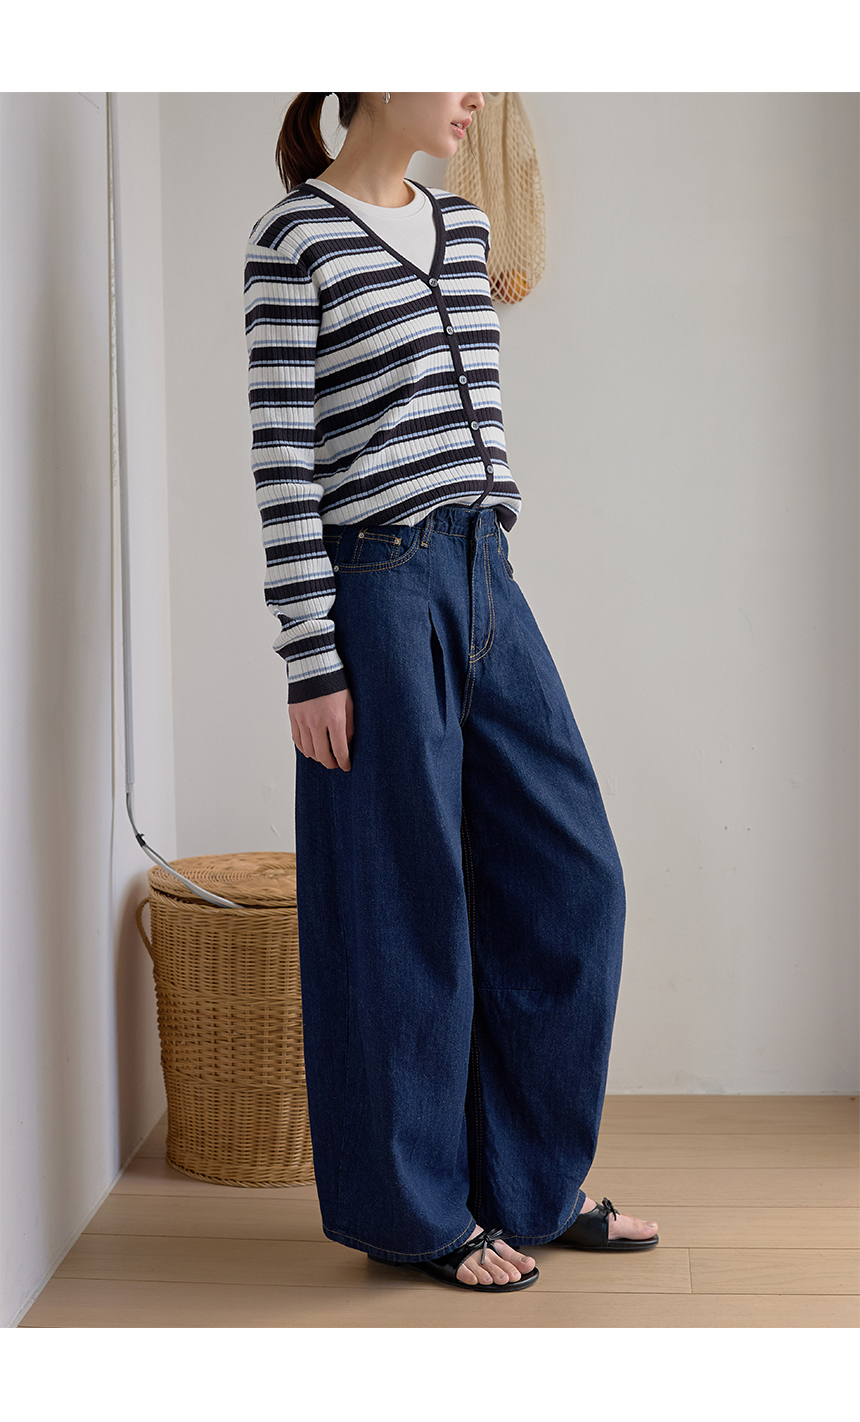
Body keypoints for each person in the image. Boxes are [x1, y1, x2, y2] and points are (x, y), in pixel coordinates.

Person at [243, 91, 658, 1293]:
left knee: (573, 876)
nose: (474, 88)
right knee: (401, 908)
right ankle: (416, 1215)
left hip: (485, 574)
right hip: (374, 590)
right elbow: (281, 458)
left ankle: (529, 1188)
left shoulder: (461, 226)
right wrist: (310, 657)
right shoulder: (294, 240)